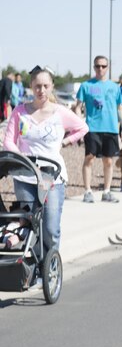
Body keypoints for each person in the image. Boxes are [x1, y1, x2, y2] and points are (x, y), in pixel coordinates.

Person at [3, 67, 88, 250]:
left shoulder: (60, 112)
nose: (41, 90)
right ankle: (33, 269)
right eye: (37, 86)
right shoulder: (20, 111)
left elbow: (83, 127)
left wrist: (65, 142)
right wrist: (21, 158)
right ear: (31, 87)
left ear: (51, 87)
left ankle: (51, 266)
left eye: (45, 86)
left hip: (52, 178)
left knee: (50, 228)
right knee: (29, 224)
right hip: (24, 176)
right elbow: (8, 141)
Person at [74, 55, 122, 203]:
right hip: (92, 128)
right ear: (94, 67)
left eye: (103, 66)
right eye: (97, 66)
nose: (100, 69)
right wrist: (79, 124)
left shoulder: (115, 87)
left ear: (107, 67)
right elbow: (78, 107)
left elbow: (119, 107)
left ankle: (107, 191)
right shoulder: (86, 86)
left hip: (110, 128)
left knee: (108, 161)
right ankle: (88, 191)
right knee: (89, 158)